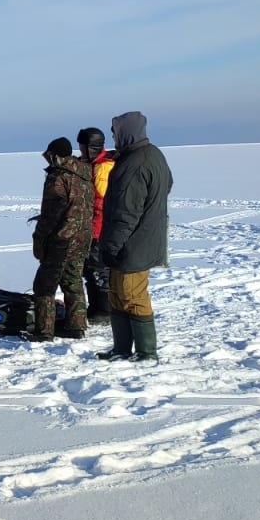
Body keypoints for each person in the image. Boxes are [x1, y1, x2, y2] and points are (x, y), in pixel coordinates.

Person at [96, 112, 174, 362]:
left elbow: (125, 213)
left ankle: (146, 352)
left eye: (115, 132)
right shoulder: (151, 154)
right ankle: (121, 349)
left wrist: (110, 246)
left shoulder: (135, 162)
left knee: (132, 295)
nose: (113, 138)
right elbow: (167, 184)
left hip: (134, 244)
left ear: (125, 132)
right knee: (117, 293)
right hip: (139, 240)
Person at [28, 137, 94, 341]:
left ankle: (43, 331)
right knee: (73, 280)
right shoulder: (84, 174)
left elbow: (52, 213)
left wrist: (40, 238)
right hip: (82, 237)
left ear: (55, 156)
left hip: (62, 238)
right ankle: (76, 327)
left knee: (44, 285)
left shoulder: (58, 177)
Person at [77, 127, 116, 324]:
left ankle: (104, 311)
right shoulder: (92, 164)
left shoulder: (103, 168)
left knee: (98, 269)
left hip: (99, 228)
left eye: (82, 147)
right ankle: (97, 308)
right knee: (90, 269)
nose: (80, 151)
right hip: (92, 227)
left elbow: (100, 202)